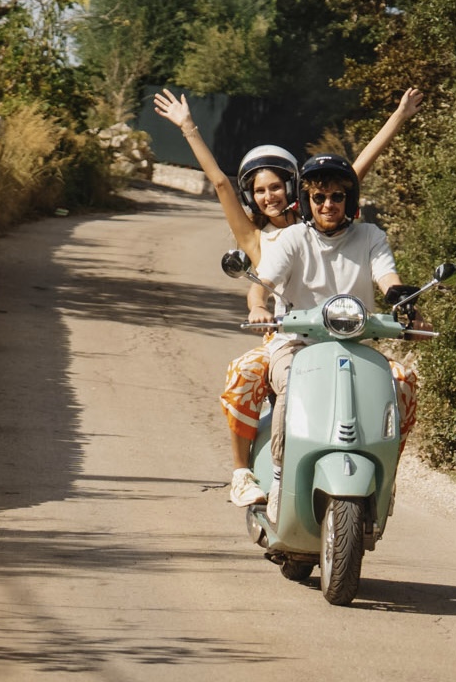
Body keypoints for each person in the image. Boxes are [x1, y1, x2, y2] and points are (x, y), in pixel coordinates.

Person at [153, 87, 424, 506]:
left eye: (277, 187)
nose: (270, 197)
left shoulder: (322, 214)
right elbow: (222, 186)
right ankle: (244, 472)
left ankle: (385, 478)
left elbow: (354, 171)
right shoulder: (262, 237)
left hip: (346, 330)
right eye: (260, 191)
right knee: (245, 373)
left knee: (401, 383)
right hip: (287, 332)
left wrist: (400, 116)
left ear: (295, 187)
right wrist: (189, 128)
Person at [247, 153, 432, 523]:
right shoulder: (293, 238)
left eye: (337, 196)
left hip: (355, 345)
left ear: (351, 200)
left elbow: (387, 277)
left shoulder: (370, 237)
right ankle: (280, 475)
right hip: (297, 344)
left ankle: (385, 476)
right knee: (291, 386)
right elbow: (262, 283)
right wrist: (257, 306)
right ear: (307, 201)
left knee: (402, 385)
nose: (328, 204)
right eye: (319, 197)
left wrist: (403, 302)